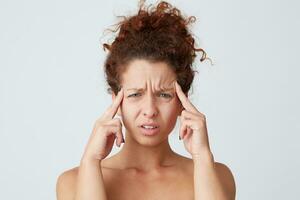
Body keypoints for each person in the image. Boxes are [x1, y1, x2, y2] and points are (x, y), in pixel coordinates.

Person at [56, 1, 236, 199]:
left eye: (164, 95)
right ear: (117, 100)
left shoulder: (216, 175)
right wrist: (91, 160)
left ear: (181, 102)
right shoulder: (73, 182)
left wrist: (202, 157)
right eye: (135, 94)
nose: (150, 110)